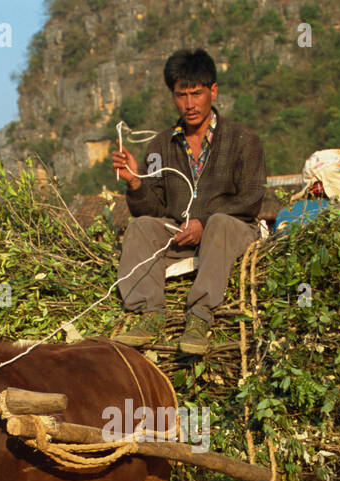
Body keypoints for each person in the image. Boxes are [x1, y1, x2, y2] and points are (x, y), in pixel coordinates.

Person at [111, 48, 266, 355]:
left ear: (214, 91)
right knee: (141, 227)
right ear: (173, 96)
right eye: (181, 95)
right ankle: (149, 314)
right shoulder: (160, 145)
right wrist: (135, 181)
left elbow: (251, 199)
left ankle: (199, 316)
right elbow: (153, 208)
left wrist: (203, 223)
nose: (189, 103)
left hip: (229, 233)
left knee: (220, 222)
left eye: (197, 93)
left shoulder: (243, 140)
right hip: (180, 234)